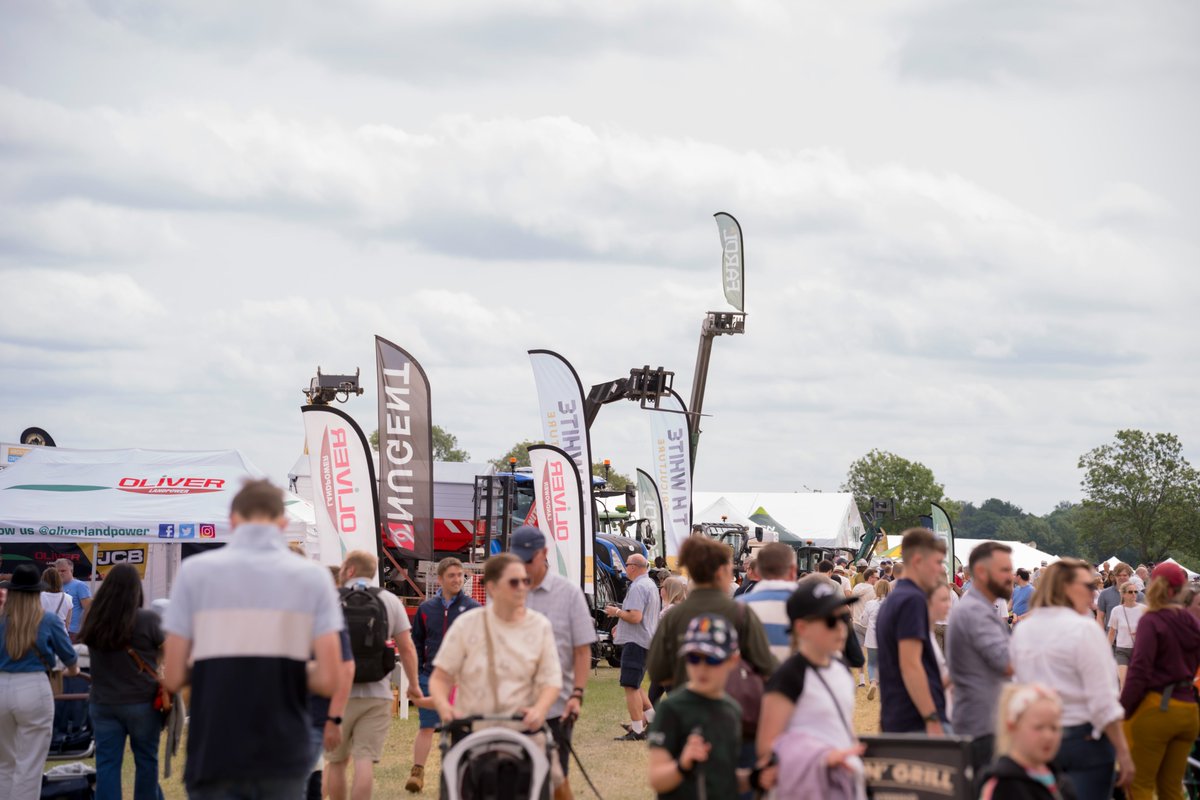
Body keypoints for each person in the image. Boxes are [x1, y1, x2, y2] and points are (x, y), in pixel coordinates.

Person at [163, 479, 345, 800]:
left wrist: (223, 664)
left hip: (215, 749)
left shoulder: (194, 572)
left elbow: (175, 675)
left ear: (233, 521)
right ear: (283, 523)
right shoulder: (313, 578)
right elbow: (330, 677)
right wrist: (278, 667)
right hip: (282, 749)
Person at [429, 554, 563, 787]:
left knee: (554, 781)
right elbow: (440, 677)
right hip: (473, 736)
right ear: (491, 587)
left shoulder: (539, 626)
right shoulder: (467, 624)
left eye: (525, 581)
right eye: (514, 582)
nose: (522, 587)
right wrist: (444, 707)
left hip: (524, 736)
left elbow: (551, 680)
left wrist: (540, 710)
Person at [1010, 558, 1134, 799]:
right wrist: (1123, 751)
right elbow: (1103, 702)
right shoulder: (1084, 629)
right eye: (1088, 587)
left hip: (1038, 739)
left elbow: (1019, 688)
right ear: (1066, 587)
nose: (1093, 593)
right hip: (1083, 740)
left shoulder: (1024, 630)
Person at [756, 581, 867, 799]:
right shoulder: (789, 676)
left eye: (844, 618)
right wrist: (821, 758)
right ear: (801, 628)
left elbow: (842, 727)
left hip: (842, 786)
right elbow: (766, 748)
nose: (841, 627)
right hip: (806, 789)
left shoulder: (841, 669)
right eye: (830, 620)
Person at [326, 550, 421, 800]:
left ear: (349, 571)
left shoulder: (330, 599)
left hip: (337, 694)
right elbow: (407, 648)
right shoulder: (389, 600)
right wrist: (413, 685)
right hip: (377, 692)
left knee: (336, 762)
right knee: (364, 761)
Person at [510, 527, 596, 790]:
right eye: (518, 560)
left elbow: (582, 650)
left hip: (557, 706)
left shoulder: (569, 593)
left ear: (544, 554)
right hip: (513, 704)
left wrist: (577, 694)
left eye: (528, 560)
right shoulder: (506, 591)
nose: (523, 567)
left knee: (556, 778)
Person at [78, 563, 165, 800]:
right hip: (143, 702)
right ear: (136, 590)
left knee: (107, 764)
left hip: (103, 702)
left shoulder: (94, 619)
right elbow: (168, 650)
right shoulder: (148, 619)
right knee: (147, 762)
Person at [647, 536, 777, 690]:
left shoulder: (673, 616)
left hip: (684, 705)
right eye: (730, 570)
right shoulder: (741, 613)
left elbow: (657, 671)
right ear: (721, 572)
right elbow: (767, 666)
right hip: (730, 707)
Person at [1120, 561, 1200, 800]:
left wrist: (1122, 710)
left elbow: (1139, 671)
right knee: (1172, 788)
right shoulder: (1192, 623)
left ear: (1153, 585)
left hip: (1159, 708)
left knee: (1140, 785)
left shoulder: (1152, 620)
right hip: (1189, 711)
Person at [1, 564, 82, 800]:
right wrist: (72, 671)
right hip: (34, 688)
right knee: (30, 765)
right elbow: (70, 659)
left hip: (2, 687)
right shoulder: (47, 620)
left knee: (4, 763)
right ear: (37, 592)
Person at [647, 614, 748, 800]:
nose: (702, 667)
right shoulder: (671, 708)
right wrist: (682, 764)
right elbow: (657, 779)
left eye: (712, 659)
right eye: (694, 658)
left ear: (732, 661)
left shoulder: (732, 710)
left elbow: (725, 779)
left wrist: (755, 777)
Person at [406, 556, 480, 793]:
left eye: (461, 575)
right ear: (440, 579)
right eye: (452, 576)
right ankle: (417, 773)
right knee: (426, 727)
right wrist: (416, 675)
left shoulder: (473, 609)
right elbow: (416, 642)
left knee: (463, 730)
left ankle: (463, 776)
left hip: (463, 681)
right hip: (430, 677)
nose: (457, 579)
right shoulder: (426, 609)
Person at [946, 541, 1014, 770]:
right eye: (1004, 570)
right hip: (982, 725)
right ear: (982, 572)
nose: (1011, 576)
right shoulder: (976, 611)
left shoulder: (979, 606)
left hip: (983, 721)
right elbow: (1008, 664)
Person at [875, 528, 948, 734]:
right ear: (917, 560)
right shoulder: (912, 600)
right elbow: (911, 664)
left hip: (898, 715)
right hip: (915, 720)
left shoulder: (896, 598)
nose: (940, 569)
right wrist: (932, 718)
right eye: (937, 562)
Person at [977, 683, 1077, 800]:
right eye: (1038, 727)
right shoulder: (1003, 785)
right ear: (1012, 727)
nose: (1048, 736)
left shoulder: (1061, 783)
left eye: (1054, 728)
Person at [607, 552, 661, 741]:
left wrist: (617, 612)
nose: (624, 569)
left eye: (626, 565)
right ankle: (652, 722)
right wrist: (620, 623)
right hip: (646, 640)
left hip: (636, 642)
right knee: (636, 685)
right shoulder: (650, 585)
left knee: (630, 686)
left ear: (633, 567)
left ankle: (637, 731)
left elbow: (635, 616)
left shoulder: (638, 587)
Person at [735, 543, 799, 664]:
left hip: (752, 681)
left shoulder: (739, 606)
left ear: (757, 571)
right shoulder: (811, 605)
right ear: (793, 570)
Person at [1107, 581, 1145, 689]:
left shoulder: (1143, 609)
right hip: (1122, 650)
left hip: (1139, 650)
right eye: (1130, 592)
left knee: (1139, 681)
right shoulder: (1116, 610)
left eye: (1135, 591)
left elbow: (1151, 630)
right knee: (1123, 681)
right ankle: (1122, 705)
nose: (1134, 594)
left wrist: (1140, 633)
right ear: (1123, 594)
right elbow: (1112, 632)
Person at [849, 568, 878, 688]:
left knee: (860, 653)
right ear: (870, 577)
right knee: (874, 653)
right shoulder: (873, 590)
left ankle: (861, 680)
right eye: (876, 577)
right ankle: (875, 678)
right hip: (869, 625)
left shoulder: (856, 588)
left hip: (856, 622)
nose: (877, 579)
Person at [863, 579, 890, 700]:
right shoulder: (892, 603)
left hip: (872, 638)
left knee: (872, 663)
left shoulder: (870, 604)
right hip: (887, 638)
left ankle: (873, 682)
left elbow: (863, 621)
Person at [54, 557, 91, 641]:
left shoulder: (80, 586)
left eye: (63, 571)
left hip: (73, 632)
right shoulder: (54, 586)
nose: (60, 573)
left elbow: (88, 609)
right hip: (56, 631)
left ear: (71, 571)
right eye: (57, 571)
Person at [1097, 562, 1140, 628]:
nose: (1122, 577)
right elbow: (1100, 617)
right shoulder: (1104, 594)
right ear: (1114, 576)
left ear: (1129, 575)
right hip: (1111, 636)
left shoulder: (1139, 595)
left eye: (1124, 575)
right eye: (1119, 575)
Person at [39, 566, 72, 632]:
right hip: (61, 634)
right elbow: (67, 623)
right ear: (59, 580)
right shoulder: (68, 598)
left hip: (43, 633)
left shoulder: (38, 596)